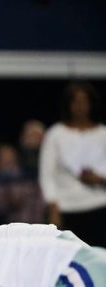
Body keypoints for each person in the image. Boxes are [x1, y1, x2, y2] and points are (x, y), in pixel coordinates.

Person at [39, 82, 106, 247]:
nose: (80, 106)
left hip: (99, 206)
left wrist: (99, 179)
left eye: (84, 101)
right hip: (67, 209)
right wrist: (53, 206)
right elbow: (47, 175)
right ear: (68, 104)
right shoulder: (55, 134)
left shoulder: (103, 134)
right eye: (76, 101)